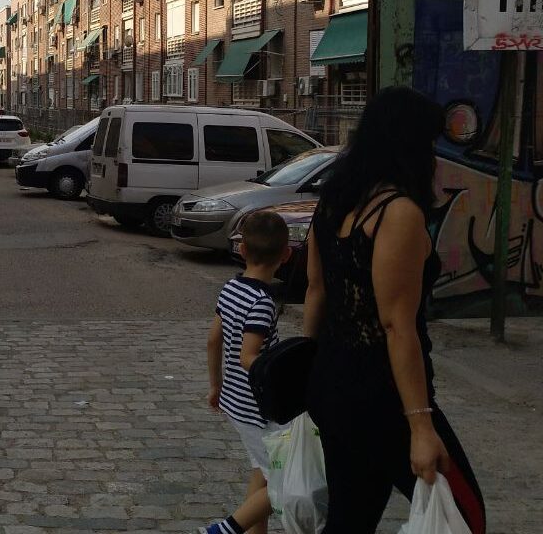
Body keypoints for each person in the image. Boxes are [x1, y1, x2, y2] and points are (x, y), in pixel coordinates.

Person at [302, 86, 485, 534]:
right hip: (382, 396)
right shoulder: (396, 212)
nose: (434, 155)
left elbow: (316, 290)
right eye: (428, 144)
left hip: (334, 382)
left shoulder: (334, 202)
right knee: (464, 514)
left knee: (351, 518)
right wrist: (420, 427)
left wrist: (309, 373)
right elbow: (395, 324)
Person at [198, 211, 291, 534]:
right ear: (286, 254)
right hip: (259, 408)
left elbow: (213, 340)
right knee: (283, 480)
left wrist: (215, 386)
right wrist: (285, 375)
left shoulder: (231, 288)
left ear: (242, 250)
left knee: (263, 470)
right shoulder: (263, 302)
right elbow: (249, 356)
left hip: (236, 402)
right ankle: (226, 529)